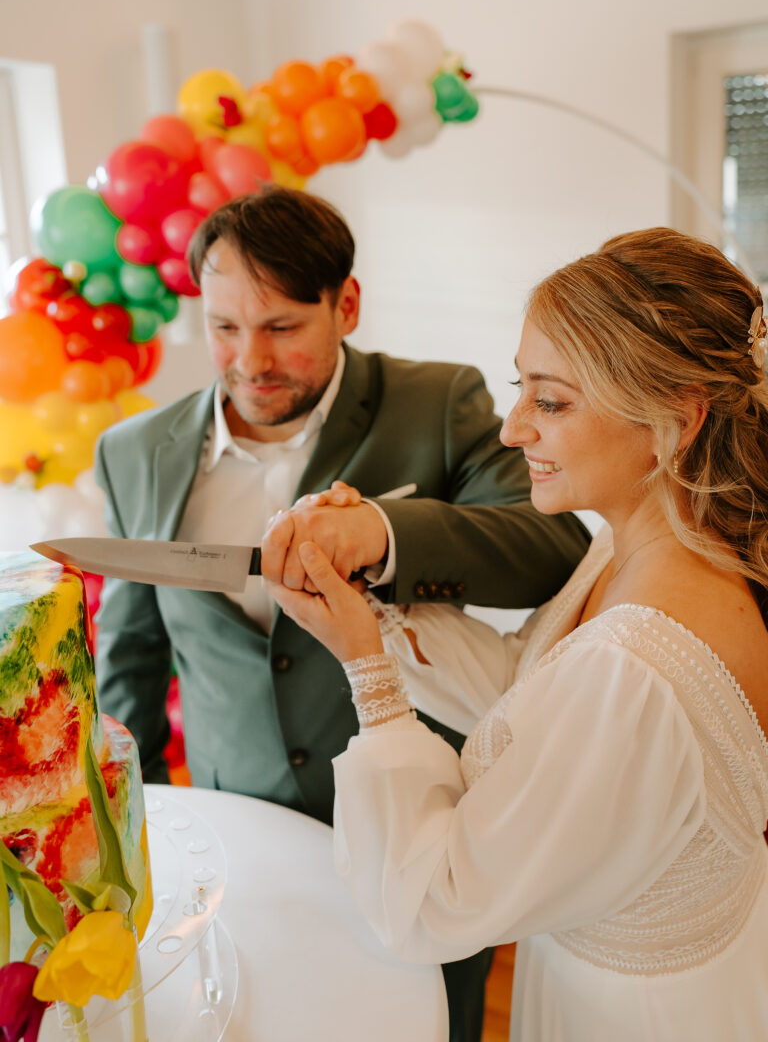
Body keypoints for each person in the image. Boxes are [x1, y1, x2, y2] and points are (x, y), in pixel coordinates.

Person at [93, 186, 590, 1042]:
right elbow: (132, 654)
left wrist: (384, 529)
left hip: (417, 828)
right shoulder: (131, 450)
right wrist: (118, 846)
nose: (250, 359)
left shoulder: (437, 403)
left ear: (345, 303)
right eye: (223, 327)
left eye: (283, 326)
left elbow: (551, 549)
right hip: (237, 855)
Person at [265, 226, 768, 1041]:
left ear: (674, 422)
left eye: (552, 400)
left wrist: (367, 669)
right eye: (520, 389)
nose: (512, 428)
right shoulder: (643, 548)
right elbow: (533, 687)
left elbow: (433, 900)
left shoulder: (637, 665)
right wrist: (375, 608)